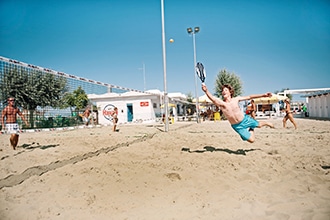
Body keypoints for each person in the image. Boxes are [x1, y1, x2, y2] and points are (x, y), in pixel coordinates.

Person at [201, 83, 274, 143]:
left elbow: (249, 96)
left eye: (226, 90)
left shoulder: (236, 99)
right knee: (252, 140)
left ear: (230, 92)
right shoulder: (222, 104)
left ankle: (267, 123)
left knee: (260, 125)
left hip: (245, 119)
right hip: (237, 126)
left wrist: (263, 95)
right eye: (223, 90)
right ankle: (251, 129)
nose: (224, 91)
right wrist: (206, 91)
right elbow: (213, 99)